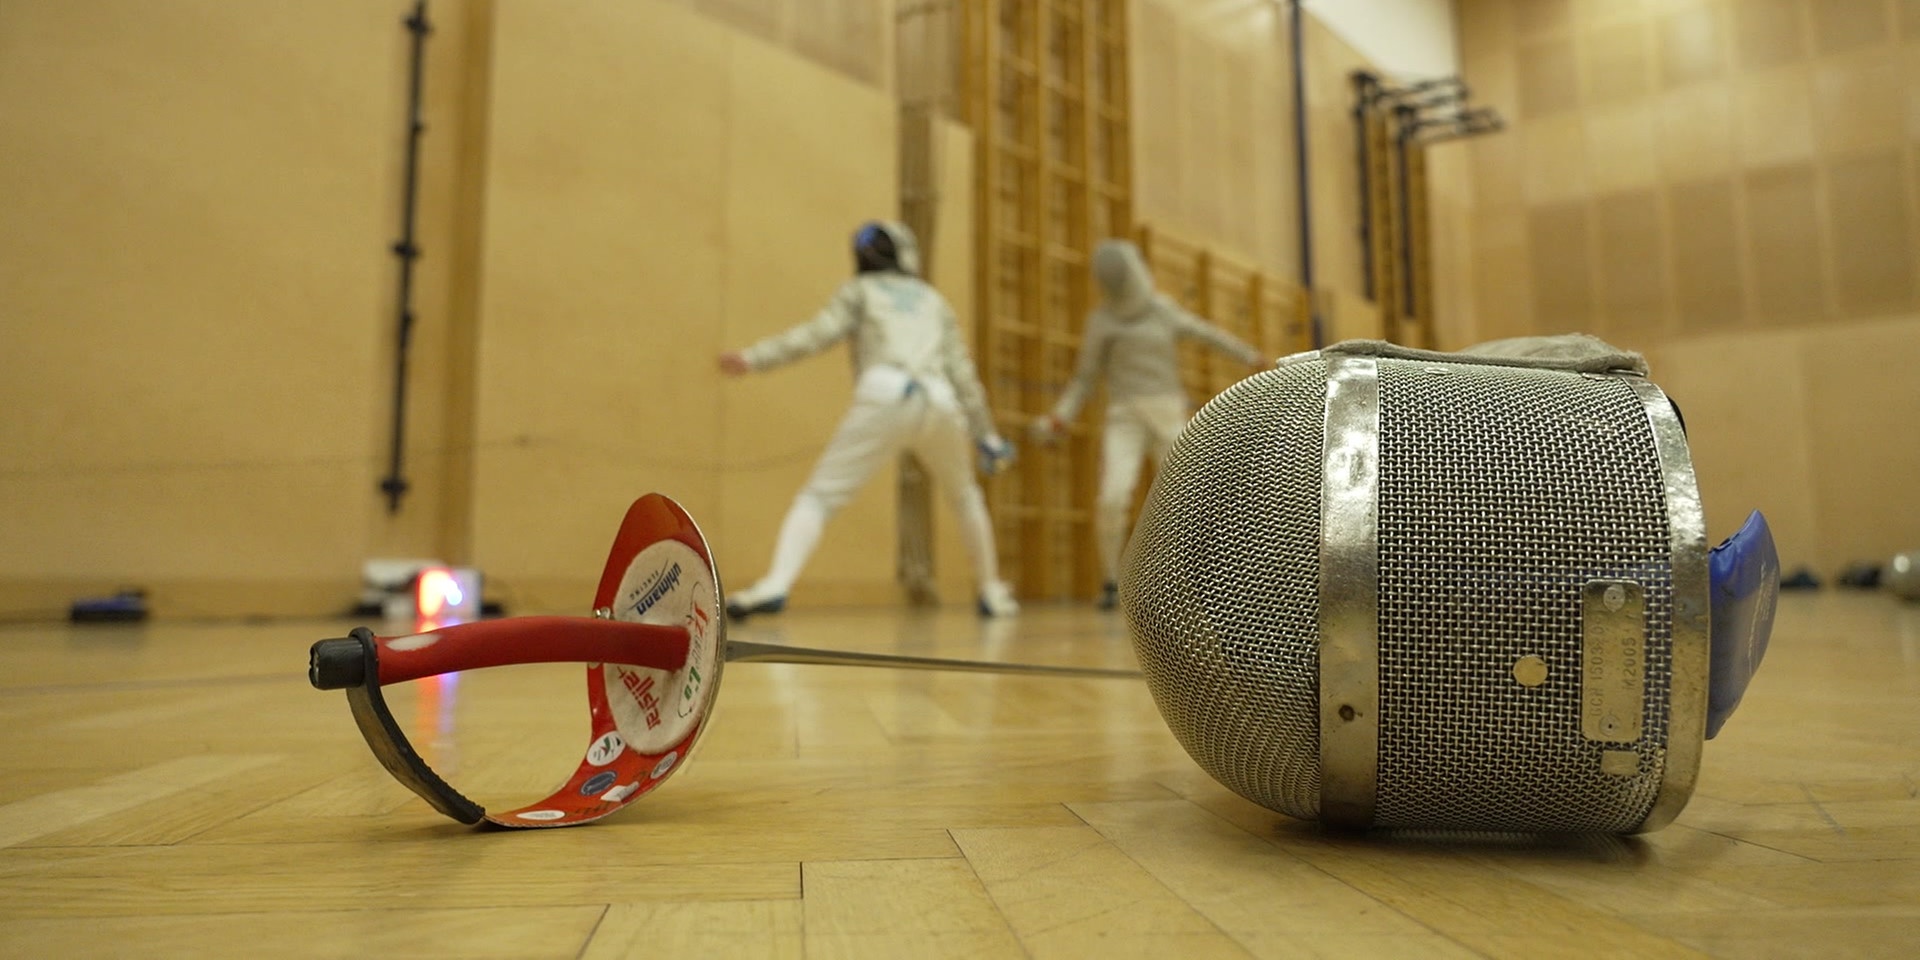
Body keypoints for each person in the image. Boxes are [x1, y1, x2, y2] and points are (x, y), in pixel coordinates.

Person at [719, 220, 1020, 619]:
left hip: (885, 394)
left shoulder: (860, 291)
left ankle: (777, 583)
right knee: (965, 497)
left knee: (819, 497)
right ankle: (991, 592)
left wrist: (754, 358)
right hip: (940, 401)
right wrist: (988, 436)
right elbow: (963, 375)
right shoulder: (932, 300)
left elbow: (816, 334)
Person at [1031, 238, 1266, 610]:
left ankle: (1196, 582)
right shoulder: (1102, 322)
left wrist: (1249, 355)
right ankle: (1111, 581)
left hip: (1168, 414)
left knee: (1191, 497)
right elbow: (1084, 379)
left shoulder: (1162, 310)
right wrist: (1061, 416)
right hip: (1124, 418)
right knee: (1111, 498)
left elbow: (1207, 333)